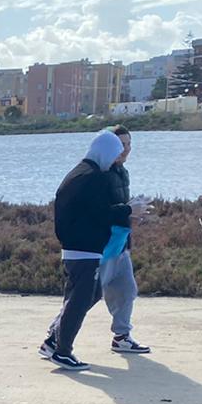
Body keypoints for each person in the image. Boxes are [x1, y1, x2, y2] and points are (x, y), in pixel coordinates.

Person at [39, 130, 132, 370]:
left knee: (89, 295)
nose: (114, 160)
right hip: (84, 248)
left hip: (77, 247)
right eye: (114, 153)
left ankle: (53, 342)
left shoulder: (79, 172)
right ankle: (62, 351)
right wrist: (131, 211)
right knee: (79, 300)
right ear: (105, 152)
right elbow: (102, 213)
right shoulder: (93, 177)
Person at [101, 126, 151, 354]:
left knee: (127, 290)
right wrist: (127, 210)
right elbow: (99, 211)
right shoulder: (99, 174)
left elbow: (120, 209)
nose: (125, 150)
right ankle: (55, 337)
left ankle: (121, 337)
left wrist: (134, 212)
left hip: (122, 243)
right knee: (85, 297)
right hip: (102, 246)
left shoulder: (123, 172)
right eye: (120, 145)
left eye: (128, 144)